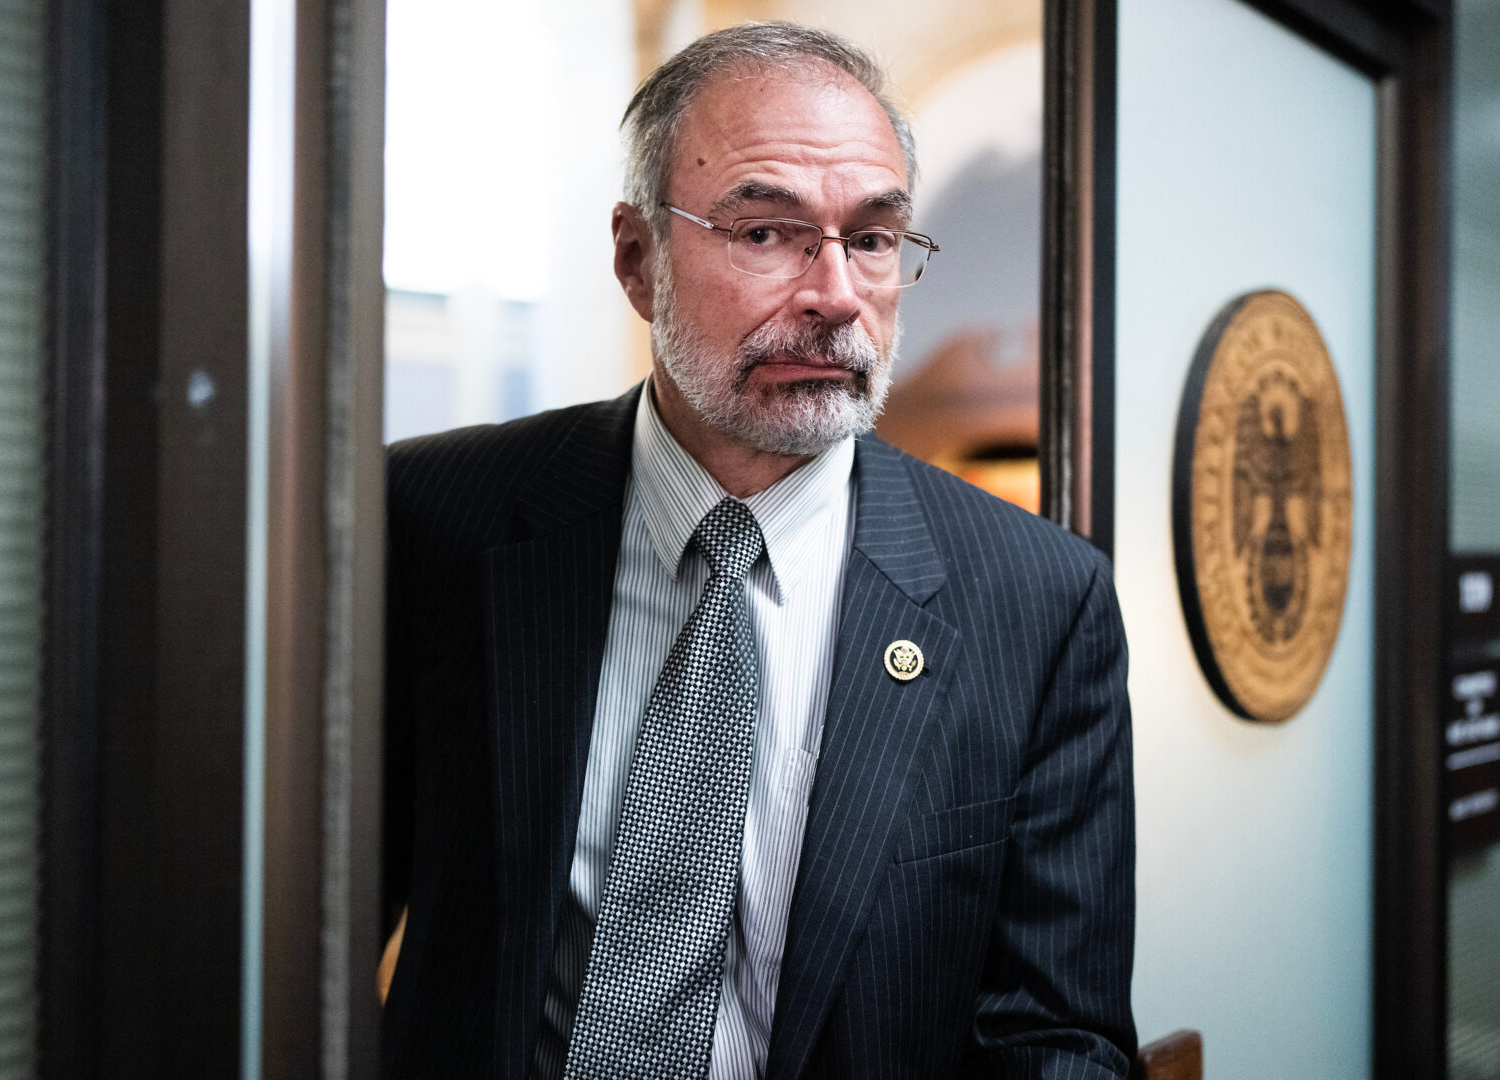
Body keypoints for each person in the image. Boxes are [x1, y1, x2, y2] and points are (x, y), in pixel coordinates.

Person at [381, 22, 1135, 1080]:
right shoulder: (434, 519)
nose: (835, 295)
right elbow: (304, 929)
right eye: (767, 233)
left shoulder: (1040, 603)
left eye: (873, 239)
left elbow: (1058, 1038)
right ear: (638, 260)